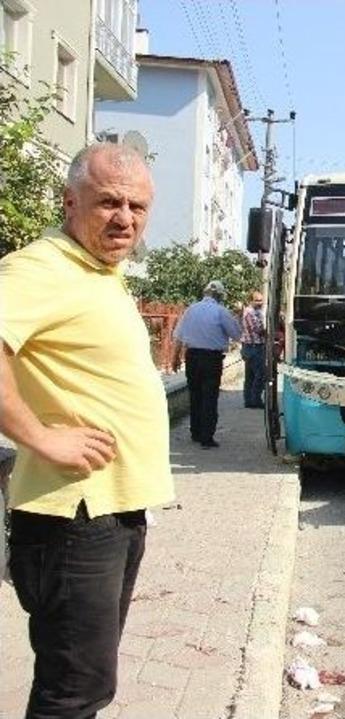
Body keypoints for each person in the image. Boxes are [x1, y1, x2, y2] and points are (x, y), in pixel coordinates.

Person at [0, 143, 173, 718]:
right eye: (108, 202)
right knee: (73, 692)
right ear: (69, 202)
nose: (125, 218)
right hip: (71, 515)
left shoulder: (99, 272)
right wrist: (40, 436)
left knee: (86, 685)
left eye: (138, 206)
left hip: (111, 509)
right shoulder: (41, 267)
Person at [172, 280, 241, 448]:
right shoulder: (221, 311)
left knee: (195, 395)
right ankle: (206, 437)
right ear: (219, 295)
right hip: (211, 359)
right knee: (209, 397)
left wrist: (175, 359)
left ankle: (195, 432)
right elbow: (237, 334)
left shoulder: (190, 310)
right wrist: (237, 318)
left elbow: (178, 337)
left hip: (192, 357)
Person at [240, 290, 267, 409]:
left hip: (254, 346)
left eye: (261, 300)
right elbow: (257, 329)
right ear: (251, 301)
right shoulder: (249, 313)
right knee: (259, 374)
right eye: (257, 300)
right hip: (253, 346)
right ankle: (255, 399)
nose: (260, 302)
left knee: (251, 375)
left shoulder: (257, 312)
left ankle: (249, 400)